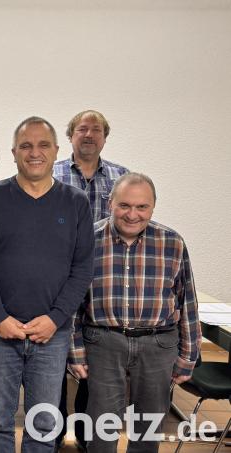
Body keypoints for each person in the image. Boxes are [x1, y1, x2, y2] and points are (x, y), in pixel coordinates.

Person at [0, 116, 94, 453]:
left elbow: (82, 268)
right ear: (13, 153)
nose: (34, 152)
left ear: (56, 152)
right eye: (26, 145)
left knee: (44, 422)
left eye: (42, 145)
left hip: (52, 332)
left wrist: (55, 318)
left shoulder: (76, 202)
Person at [69, 173, 201, 453]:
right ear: (110, 204)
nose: (132, 214)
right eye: (124, 205)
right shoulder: (86, 240)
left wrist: (188, 356)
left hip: (159, 345)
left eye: (142, 207)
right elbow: (72, 303)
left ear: (153, 207)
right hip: (103, 342)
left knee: (148, 429)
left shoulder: (172, 243)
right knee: (101, 430)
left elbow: (187, 301)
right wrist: (76, 352)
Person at [53, 109, 128, 450]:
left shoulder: (121, 177)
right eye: (82, 128)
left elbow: (131, 222)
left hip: (102, 284)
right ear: (71, 135)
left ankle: (85, 435)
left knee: (93, 363)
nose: (89, 134)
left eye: (96, 130)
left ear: (104, 138)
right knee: (53, 359)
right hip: (56, 280)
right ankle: (51, 434)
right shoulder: (50, 174)